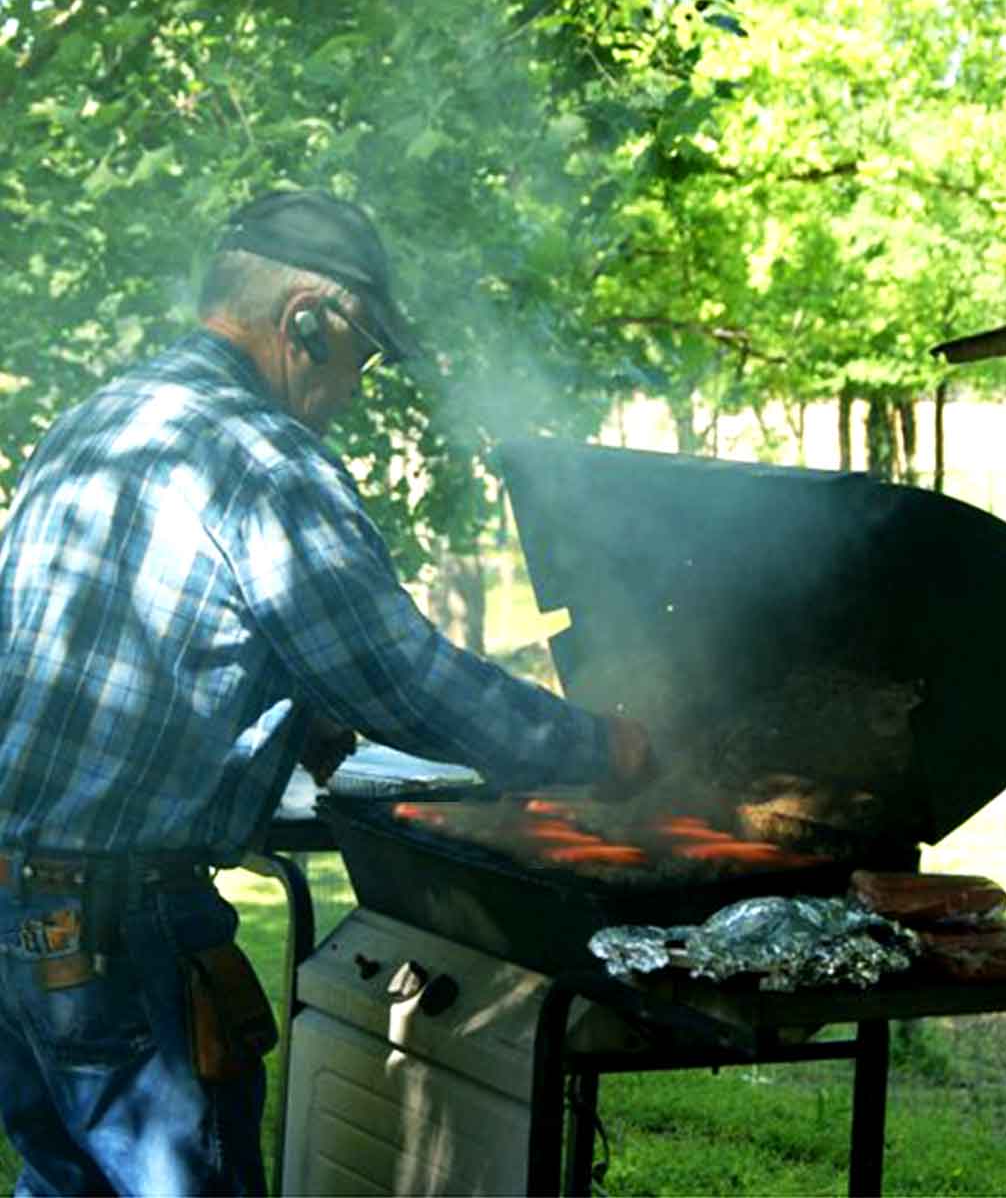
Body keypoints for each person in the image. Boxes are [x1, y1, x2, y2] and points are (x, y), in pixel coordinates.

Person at [0, 187, 655, 1196]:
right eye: (364, 353)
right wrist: (596, 750)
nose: (356, 384)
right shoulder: (265, 457)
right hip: (116, 930)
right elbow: (407, 680)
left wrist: (283, 704)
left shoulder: (101, 419)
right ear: (311, 318)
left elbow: (114, 643)